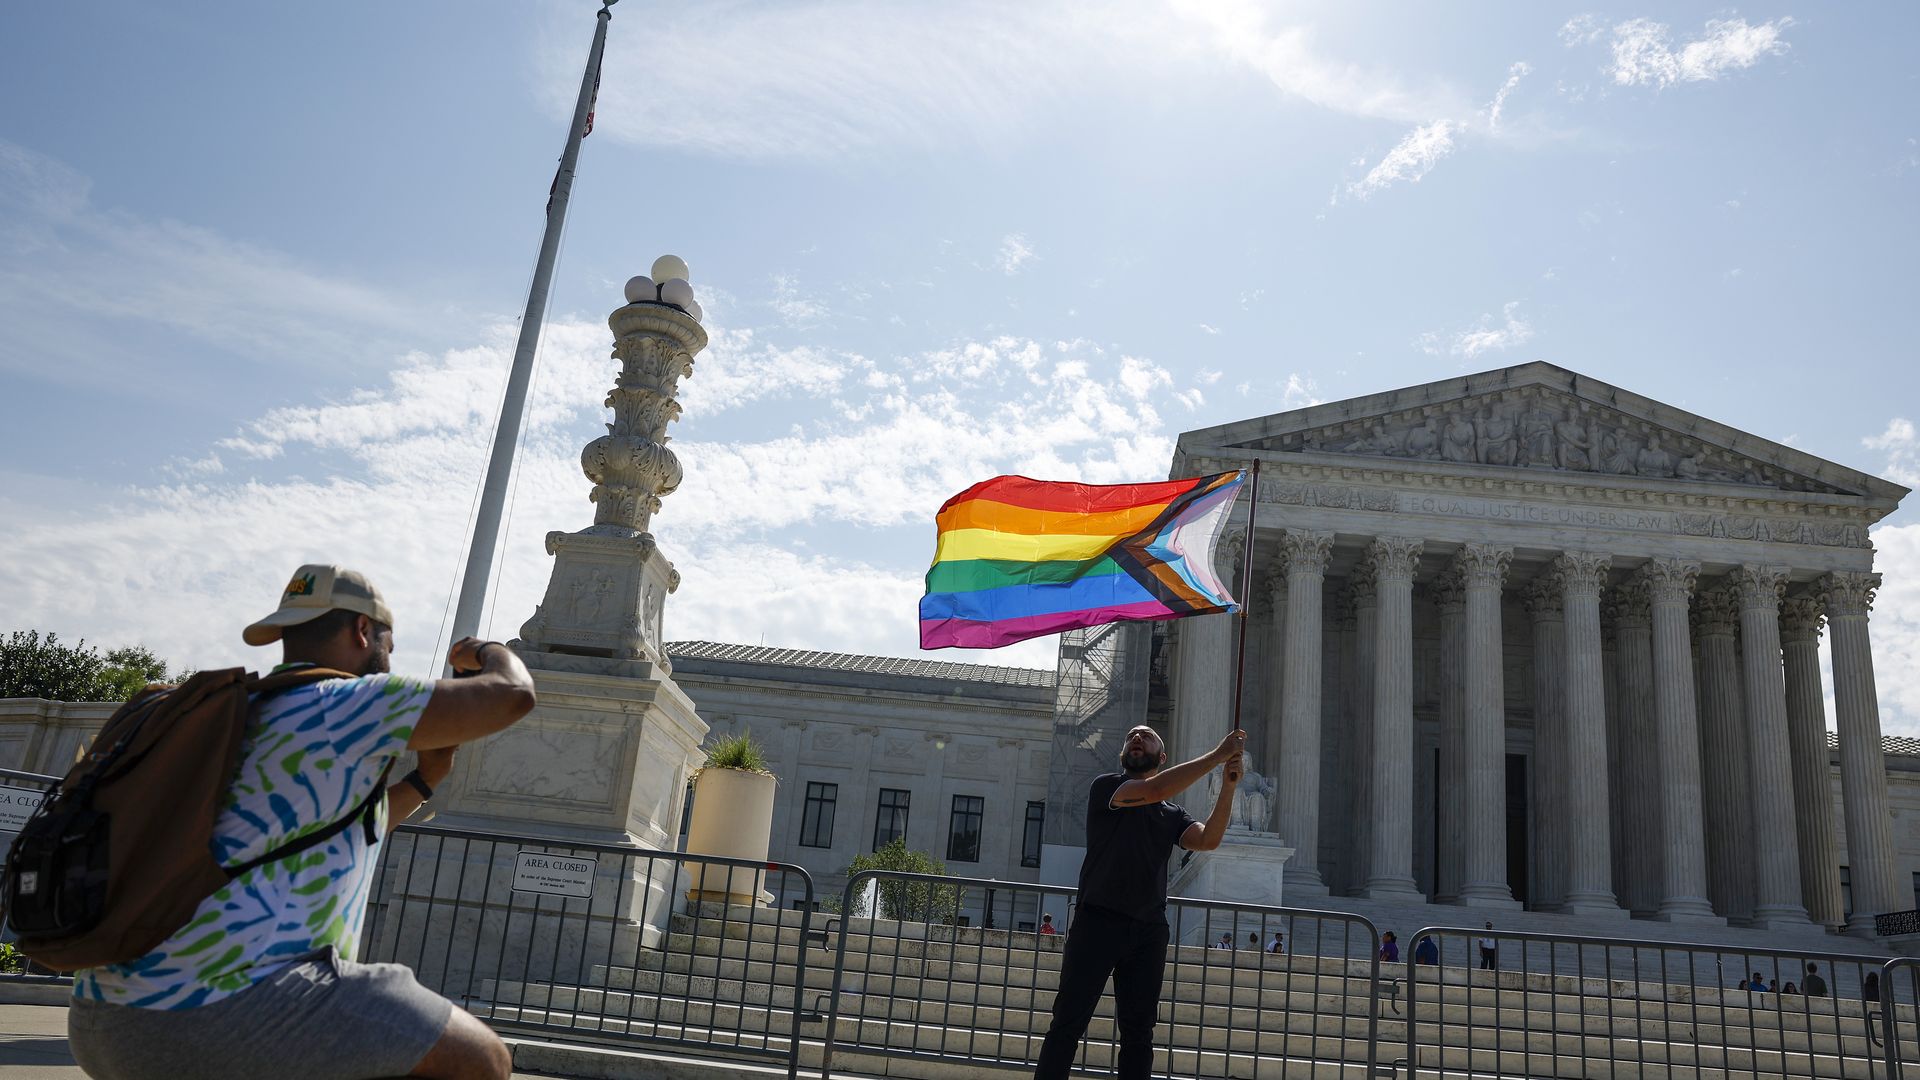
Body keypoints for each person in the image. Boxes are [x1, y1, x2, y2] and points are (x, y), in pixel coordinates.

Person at [66, 564, 538, 1080]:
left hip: (104, 1016)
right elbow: (512, 694)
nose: (390, 655)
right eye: (389, 641)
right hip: (218, 1011)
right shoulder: (344, 703)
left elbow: (347, 828)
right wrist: (484, 651)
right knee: (481, 1060)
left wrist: (424, 784)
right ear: (363, 631)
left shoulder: (245, 713)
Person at [1033, 724, 1243, 1080]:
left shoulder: (1173, 814)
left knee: (1139, 1036)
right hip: (1096, 922)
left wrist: (1229, 786)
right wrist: (1218, 755)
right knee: (1067, 1023)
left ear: (1161, 756)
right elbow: (1154, 789)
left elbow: (1208, 840)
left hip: (1148, 930)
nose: (1136, 738)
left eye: (1146, 736)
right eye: (1131, 735)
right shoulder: (1107, 788)